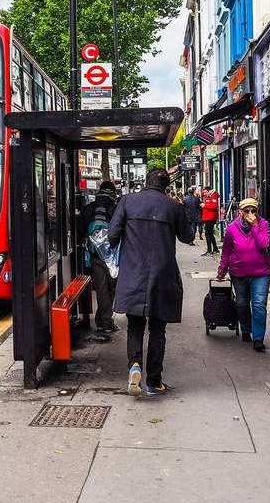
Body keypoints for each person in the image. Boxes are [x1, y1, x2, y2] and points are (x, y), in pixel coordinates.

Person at [108, 168, 194, 397]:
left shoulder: (127, 201)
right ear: (166, 186)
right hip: (163, 275)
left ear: (145, 182)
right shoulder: (172, 206)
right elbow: (188, 237)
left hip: (134, 274)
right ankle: (154, 382)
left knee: (135, 326)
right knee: (158, 328)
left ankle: (134, 366)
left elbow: (112, 236)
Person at [217, 198, 270, 351]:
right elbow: (226, 251)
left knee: (259, 305)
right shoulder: (232, 228)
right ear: (240, 212)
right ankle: (246, 329)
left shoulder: (263, 225)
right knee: (241, 304)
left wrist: (255, 226)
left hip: (261, 273)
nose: (250, 213)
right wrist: (222, 270)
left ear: (257, 211)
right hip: (238, 272)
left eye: (253, 210)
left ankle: (258, 338)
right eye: (246, 210)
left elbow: (264, 244)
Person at [81, 180, 119, 332]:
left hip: (94, 254)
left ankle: (102, 319)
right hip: (113, 256)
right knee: (111, 288)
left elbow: (81, 231)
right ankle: (106, 321)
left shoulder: (89, 208)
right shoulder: (116, 209)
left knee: (101, 288)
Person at [200, 185, 220, 255]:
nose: (204, 194)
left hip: (210, 218)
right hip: (207, 217)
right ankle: (215, 249)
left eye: (205, 192)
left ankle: (209, 250)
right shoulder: (208, 196)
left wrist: (204, 205)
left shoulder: (213, 195)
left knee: (208, 234)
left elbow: (214, 206)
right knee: (210, 234)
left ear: (208, 191)